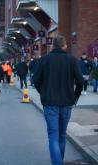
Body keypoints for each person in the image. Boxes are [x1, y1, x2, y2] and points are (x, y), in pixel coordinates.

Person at [33, 35, 84, 165]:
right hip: (67, 102)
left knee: (53, 135)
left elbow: (36, 80)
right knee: (62, 134)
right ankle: (58, 161)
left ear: (52, 45)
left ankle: (57, 162)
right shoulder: (72, 60)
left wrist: (43, 93)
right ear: (65, 46)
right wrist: (75, 97)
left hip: (50, 103)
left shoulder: (44, 60)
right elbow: (80, 81)